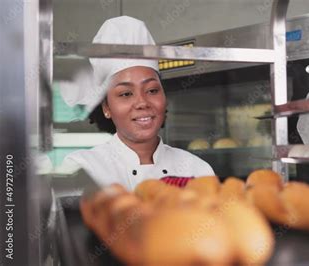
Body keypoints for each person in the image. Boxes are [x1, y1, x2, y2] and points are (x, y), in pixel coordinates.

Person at [60, 16, 214, 190]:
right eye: (126, 93)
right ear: (106, 107)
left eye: (152, 90)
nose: (142, 102)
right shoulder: (82, 168)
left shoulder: (198, 170)